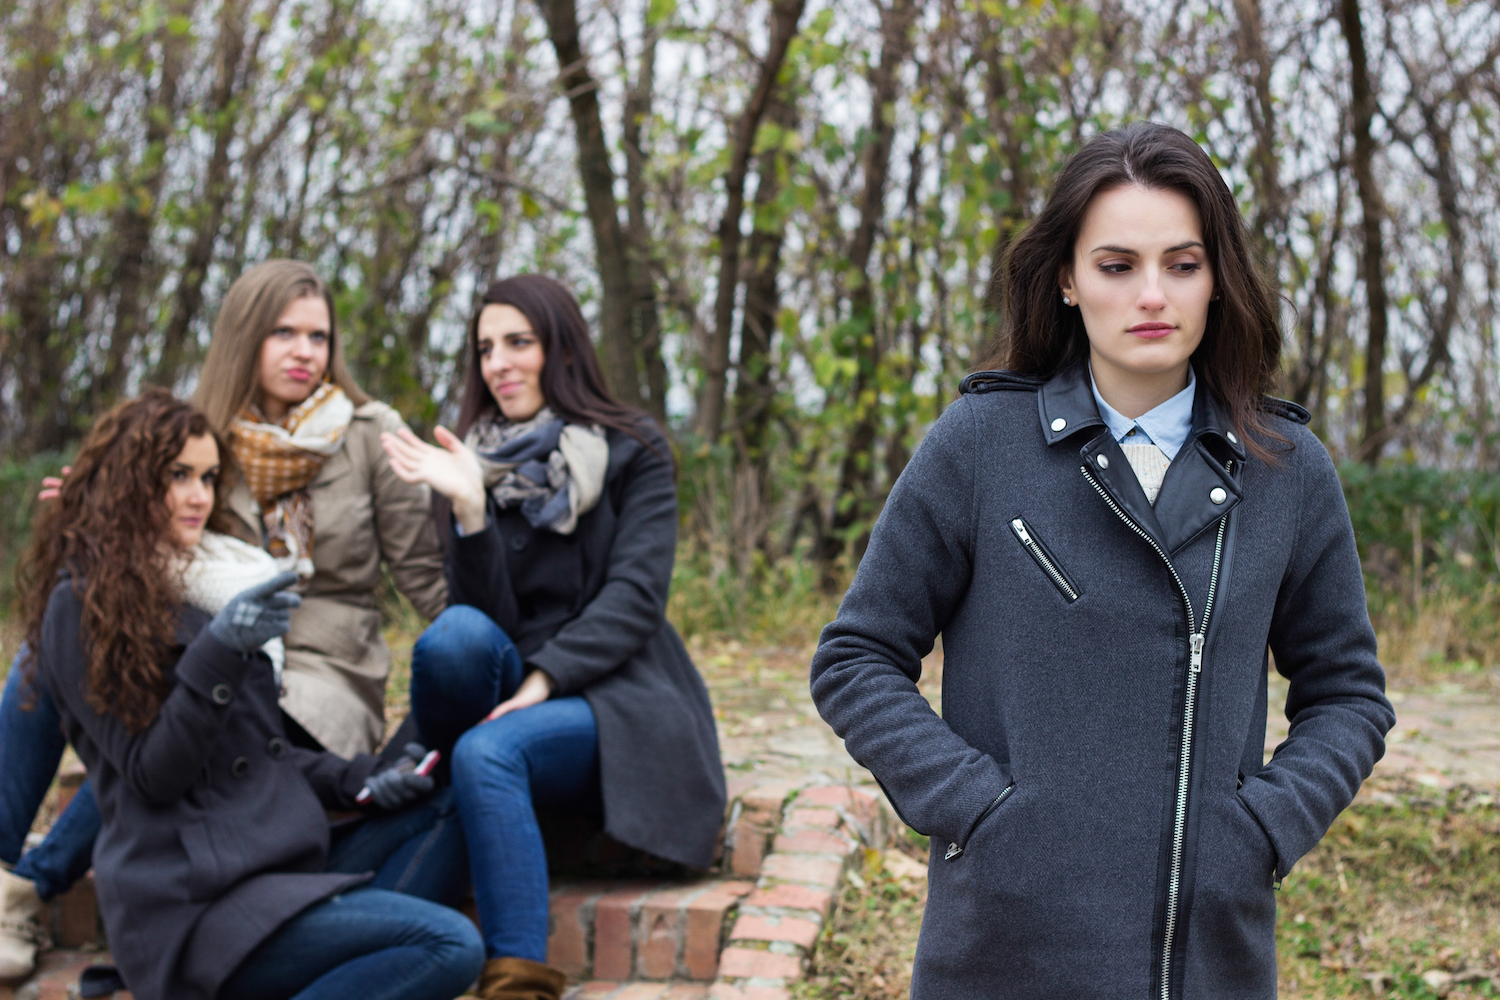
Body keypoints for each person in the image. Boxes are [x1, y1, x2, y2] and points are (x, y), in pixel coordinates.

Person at [809, 122, 1395, 1000]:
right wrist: (978, 811)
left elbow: (1349, 694)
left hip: (1202, 958)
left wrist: (1265, 827)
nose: (1152, 295)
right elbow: (856, 659)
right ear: (1069, 281)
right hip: (1004, 947)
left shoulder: (1287, 468)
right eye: (1118, 266)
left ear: (1218, 280)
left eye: (1183, 264)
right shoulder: (980, 445)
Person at [0, 260, 448, 976]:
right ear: (244, 338)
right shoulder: (205, 433)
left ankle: (39, 874)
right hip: (216, 643)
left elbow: (427, 581)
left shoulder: (368, 434)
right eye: (283, 333)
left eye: (319, 335)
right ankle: (8, 876)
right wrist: (87, 515)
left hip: (321, 667)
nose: (305, 351)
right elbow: (152, 552)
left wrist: (473, 526)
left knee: (180, 725)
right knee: (51, 651)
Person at [379, 275, 725, 1000]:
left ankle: (517, 983)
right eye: (484, 349)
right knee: (452, 642)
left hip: (612, 692)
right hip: (499, 681)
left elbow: (635, 599)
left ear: (559, 348)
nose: (497, 362)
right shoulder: (466, 463)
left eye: (518, 342)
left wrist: (543, 683)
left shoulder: (633, 449)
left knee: (486, 750)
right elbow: (483, 630)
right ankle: (365, 932)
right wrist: (471, 509)